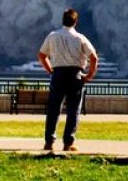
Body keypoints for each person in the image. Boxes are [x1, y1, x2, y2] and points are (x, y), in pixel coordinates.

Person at [38, 8, 97, 152]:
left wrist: (50, 70)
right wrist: (89, 75)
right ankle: (68, 143)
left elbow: (41, 55)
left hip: (57, 74)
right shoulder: (80, 38)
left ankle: (49, 142)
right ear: (75, 21)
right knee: (73, 110)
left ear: (62, 20)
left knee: (53, 109)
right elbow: (93, 57)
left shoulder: (52, 36)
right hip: (75, 75)